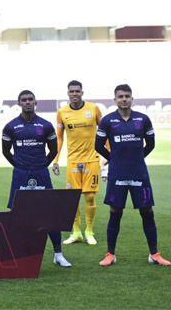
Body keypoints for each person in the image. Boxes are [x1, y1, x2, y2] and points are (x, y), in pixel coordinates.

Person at [95, 84, 170, 266]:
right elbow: (98, 145)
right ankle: (110, 254)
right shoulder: (107, 121)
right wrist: (114, 159)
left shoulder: (143, 119)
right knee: (115, 212)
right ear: (115, 99)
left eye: (127, 96)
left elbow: (150, 144)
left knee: (147, 211)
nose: (124, 99)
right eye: (120, 96)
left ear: (132, 98)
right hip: (117, 174)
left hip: (139, 173)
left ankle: (154, 254)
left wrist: (137, 158)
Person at [2, 90, 72, 267]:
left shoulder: (45, 125)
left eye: (30, 99)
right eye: (24, 100)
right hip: (21, 174)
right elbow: (6, 151)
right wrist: (19, 165)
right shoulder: (11, 126)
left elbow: (53, 150)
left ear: (35, 102)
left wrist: (42, 164)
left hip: (41, 173)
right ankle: (18, 254)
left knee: (49, 213)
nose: (27, 102)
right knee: (18, 213)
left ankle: (58, 254)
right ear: (19, 103)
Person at [53, 80, 102, 245]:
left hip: (92, 159)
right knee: (72, 198)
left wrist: (108, 156)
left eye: (77, 91)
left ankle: (89, 231)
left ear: (82, 92)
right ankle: (76, 232)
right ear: (68, 93)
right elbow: (59, 137)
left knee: (90, 196)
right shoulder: (62, 112)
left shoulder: (93, 108)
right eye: (72, 91)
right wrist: (55, 159)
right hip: (73, 160)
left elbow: (104, 132)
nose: (74, 94)